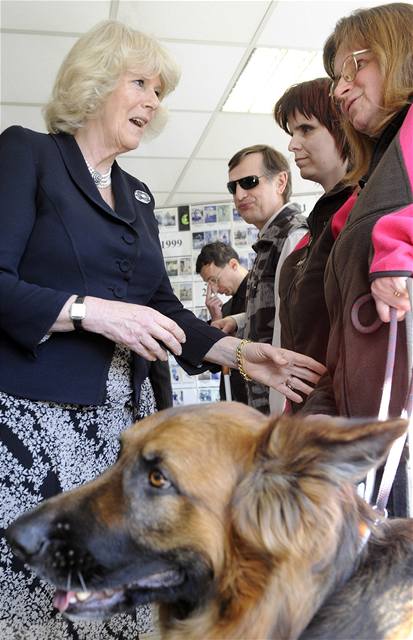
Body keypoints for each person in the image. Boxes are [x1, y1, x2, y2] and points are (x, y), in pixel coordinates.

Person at [0, 20, 326, 639]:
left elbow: (164, 310)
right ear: (95, 83)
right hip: (31, 420)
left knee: (113, 591)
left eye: (161, 92)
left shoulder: (139, 195)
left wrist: (241, 353)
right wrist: (89, 310)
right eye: (142, 84)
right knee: (35, 592)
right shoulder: (27, 154)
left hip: (122, 428)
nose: (154, 102)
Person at [303, 3, 413, 515]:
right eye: (336, 78)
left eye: (357, 65)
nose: (341, 88)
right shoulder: (369, 185)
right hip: (376, 437)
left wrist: (397, 240)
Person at [271, 77, 355, 413]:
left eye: (306, 129)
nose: (292, 145)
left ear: (344, 129)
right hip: (307, 417)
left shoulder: (361, 219)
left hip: (341, 421)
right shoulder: (310, 236)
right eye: (292, 132)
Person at [214, 144, 308, 414]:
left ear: (280, 181)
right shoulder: (271, 240)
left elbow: (295, 327)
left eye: (249, 182)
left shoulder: (294, 237)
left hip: (283, 400)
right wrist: (237, 320)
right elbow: (275, 309)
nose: (240, 194)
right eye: (233, 187)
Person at [196, 241, 249, 403]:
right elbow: (215, 360)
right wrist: (217, 319)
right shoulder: (225, 308)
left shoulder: (261, 293)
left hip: (258, 393)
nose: (215, 289)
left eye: (214, 280)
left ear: (233, 264)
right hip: (233, 395)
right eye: (209, 284)